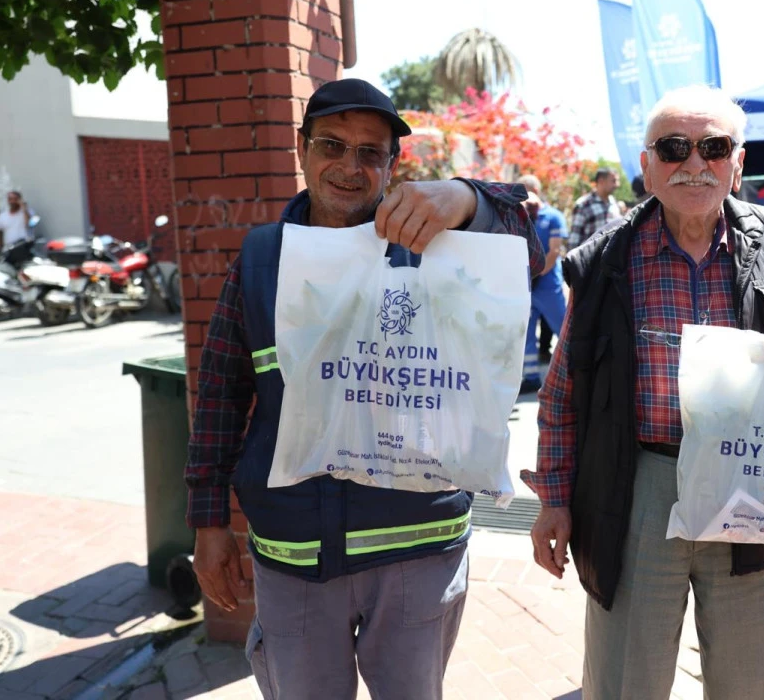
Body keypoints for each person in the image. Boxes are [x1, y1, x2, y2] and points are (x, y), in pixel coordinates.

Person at [186, 78, 542, 699]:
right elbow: (219, 392)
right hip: (294, 552)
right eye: (332, 145)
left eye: (370, 153)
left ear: (391, 165)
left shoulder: (435, 242)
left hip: (417, 548)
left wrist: (465, 198)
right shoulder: (262, 256)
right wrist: (208, 521)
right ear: (301, 150)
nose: (349, 167)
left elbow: (528, 248)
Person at [522, 85, 764, 699]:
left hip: (757, 478)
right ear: (647, 165)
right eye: (674, 147)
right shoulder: (607, 257)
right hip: (639, 484)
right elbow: (563, 389)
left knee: (746, 680)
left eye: (713, 147)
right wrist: (554, 498)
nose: (694, 163)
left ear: (738, 163)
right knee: (626, 678)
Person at [518, 175, 568, 394]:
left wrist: (536, 275)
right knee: (526, 334)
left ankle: (577, 371)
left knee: (565, 330)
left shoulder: (553, 217)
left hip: (547, 287)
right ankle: (530, 377)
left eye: (527, 189)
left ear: (536, 189)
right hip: (525, 286)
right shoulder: (517, 216)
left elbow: (554, 251)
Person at [567, 167, 621, 250]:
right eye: (613, 181)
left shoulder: (613, 202)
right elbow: (574, 239)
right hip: (591, 261)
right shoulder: (584, 204)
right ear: (601, 181)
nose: (617, 185)